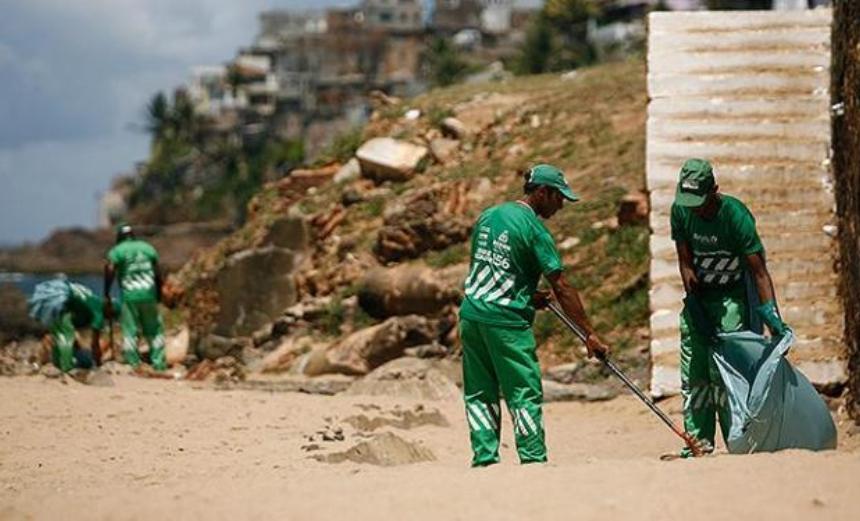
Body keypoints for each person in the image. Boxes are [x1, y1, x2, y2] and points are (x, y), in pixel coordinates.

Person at [458, 163, 609, 467]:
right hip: (507, 324)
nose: (562, 205)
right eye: (559, 197)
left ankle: (485, 458)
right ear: (542, 192)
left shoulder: (489, 215)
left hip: (472, 315)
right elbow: (562, 287)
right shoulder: (535, 230)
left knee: (479, 393)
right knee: (523, 392)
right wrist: (589, 334)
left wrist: (527, 293)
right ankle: (532, 458)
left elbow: (491, 265)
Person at [670, 158, 790, 457]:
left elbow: (759, 272)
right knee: (695, 372)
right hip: (700, 300)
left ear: (714, 191)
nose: (695, 208)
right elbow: (685, 264)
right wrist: (696, 308)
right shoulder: (680, 210)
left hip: (731, 299)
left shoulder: (735, 216)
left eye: (699, 201)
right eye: (689, 201)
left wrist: (772, 317)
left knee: (724, 374)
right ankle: (698, 443)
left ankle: (738, 441)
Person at [104, 223, 167, 371]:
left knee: (130, 330)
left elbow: (110, 268)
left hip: (130, 296)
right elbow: (158, 273)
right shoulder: (148, 248)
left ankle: (133, 363)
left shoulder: (117, 251)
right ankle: (158, 363)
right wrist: (159, 294)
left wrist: (106, 292)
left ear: (119, 237)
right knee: (154, 330)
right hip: (149, 294)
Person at [28, 278, 104, 372]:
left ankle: (58, 364)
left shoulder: (91, 298)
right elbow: (95, 343)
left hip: (51, 296)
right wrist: (98, 362)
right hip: (62, 301)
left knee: (58, 336)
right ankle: (66, 367)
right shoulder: (98, 311)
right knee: (66, 337)